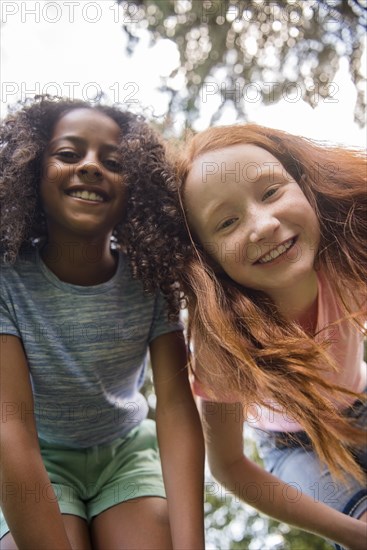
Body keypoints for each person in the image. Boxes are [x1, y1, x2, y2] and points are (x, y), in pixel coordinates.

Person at [137, 123, 367, 550]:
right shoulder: (221, 345)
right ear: (209, 262)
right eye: (227, 223)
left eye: (271, 192)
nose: (263, 225)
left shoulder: (346, 256)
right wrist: (354, 534)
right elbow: (228, 466)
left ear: (304, 183)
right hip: (296, 445)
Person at [0, 95, 205, 550]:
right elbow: (9, 423)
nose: (91, 166)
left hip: (125, 455)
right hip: (39, 457)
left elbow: (174, 407)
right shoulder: (6, 277)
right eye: (68, 155)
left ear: (137, 190)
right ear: (32, 172)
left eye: (112, 161)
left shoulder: (151, 277)